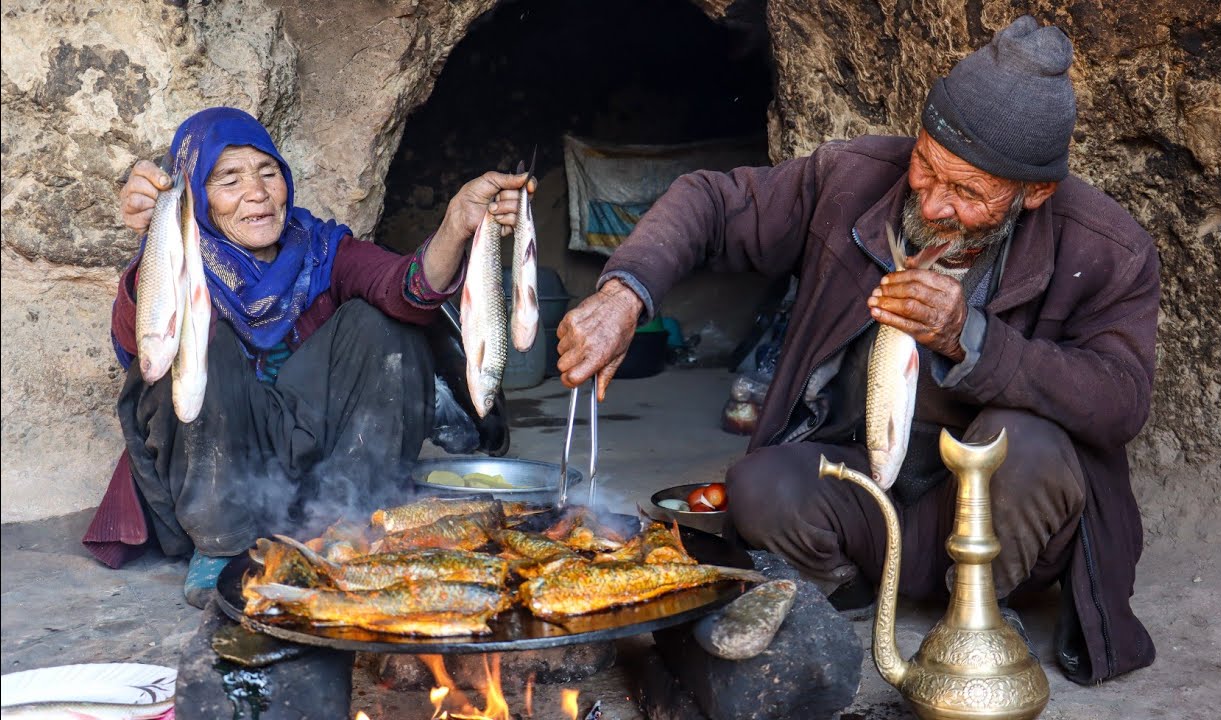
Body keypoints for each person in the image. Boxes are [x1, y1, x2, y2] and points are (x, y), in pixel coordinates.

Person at [554, 16, 1158, 684]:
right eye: (926, 166)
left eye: (966, 193)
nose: (930, 203)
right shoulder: (853, 178)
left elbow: (1120, 401)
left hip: (1000, 513)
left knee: (1022, 444)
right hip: (869, 494)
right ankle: (854, 586)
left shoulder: (1107, 249)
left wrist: (972, 340)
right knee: (760, 488)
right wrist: (623, 295)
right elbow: (714, 203)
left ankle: (979, 606)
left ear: (1034, 193)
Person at [82, 107, 536, 607]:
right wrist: (156, 237)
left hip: (314, 474)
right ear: (195, 197)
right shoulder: (176, 261)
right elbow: (139, 346)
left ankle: (350, 521)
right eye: (229, 179)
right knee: (194, 339)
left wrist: (456, 225)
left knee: (387, 322)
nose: (257, 192)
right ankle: (221, 546)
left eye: (268, 172)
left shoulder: (320, 248)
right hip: (215, 477)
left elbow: (406, 287)